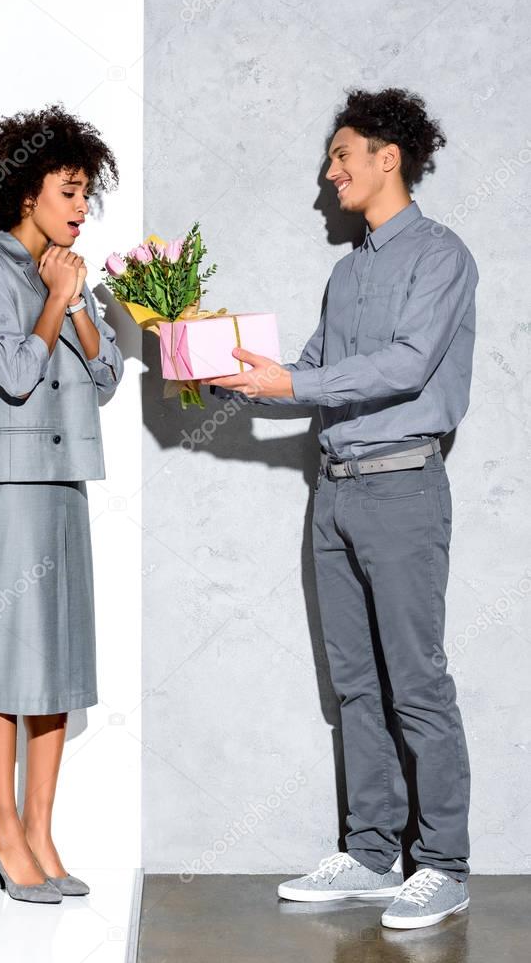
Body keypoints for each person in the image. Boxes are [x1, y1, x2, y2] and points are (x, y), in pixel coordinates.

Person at [205, 88, 477, 930]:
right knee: (354, 684)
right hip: (335, 494)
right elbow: (309, 378)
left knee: (415, 684)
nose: (329, 176)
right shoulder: (345, 272)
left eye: (340, 157)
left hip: (402, 486)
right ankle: (369, 853)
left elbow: (403, 366)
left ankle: (443, 863)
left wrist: (295, 381)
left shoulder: (441, 256)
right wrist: (227, 368)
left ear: (386, 158)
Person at [0, 103, 124, 903]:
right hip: (5, 492)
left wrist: (78, 299)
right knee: (6, 663)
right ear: (27, 193)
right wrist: (54, 296)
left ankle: (42, 831)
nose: (81, 207)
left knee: (55, 664)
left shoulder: (70, 273)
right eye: (70, 191)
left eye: (86, 193)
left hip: (62, 486)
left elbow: (108, 376)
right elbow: (16, 373)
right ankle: (4, 831)